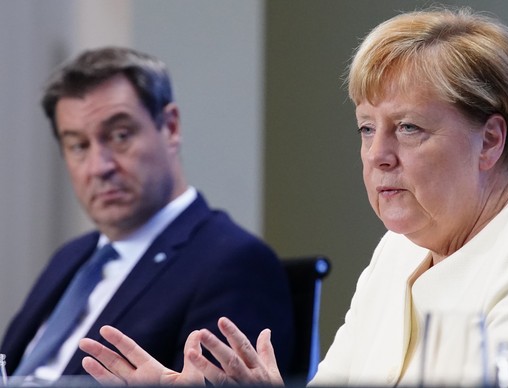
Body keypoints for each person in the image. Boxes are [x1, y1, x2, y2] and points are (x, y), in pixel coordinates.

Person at [79, 7, 508, 387]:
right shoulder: (399, 250)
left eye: (408, 128)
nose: (377, 155)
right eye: (367, 129)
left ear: (490, 140)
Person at [0, 47, 294, 384]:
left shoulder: (235, 261)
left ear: (169, 127)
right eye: (78, 145)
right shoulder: (70, 258)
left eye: (120, 136)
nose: (99, 167)